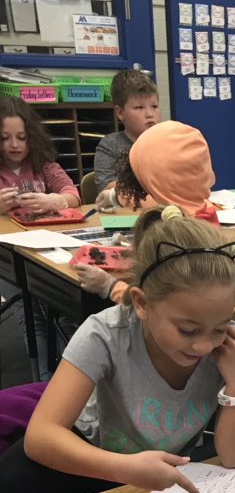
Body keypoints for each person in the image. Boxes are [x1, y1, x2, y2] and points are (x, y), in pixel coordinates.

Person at [0, 205, 235, 493]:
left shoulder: (234, 345)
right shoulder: (107, 333)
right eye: (187, 330)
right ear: (142, 303)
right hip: (89, 455)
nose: (204, 345)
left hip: (156, 474)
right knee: (12, 482)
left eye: (219, 327)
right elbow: (40, 438)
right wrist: (125, 469)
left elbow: (233, 457)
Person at [80, 121, 219, 302]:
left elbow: (160, 306)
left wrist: (110, 287)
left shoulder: (174, 235)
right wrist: (115, 196)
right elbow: (151, 198)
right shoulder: (199, 207)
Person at [0, 95, 81, 379]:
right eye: (5, 137)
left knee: (64, 306)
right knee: (29, 310)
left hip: (48, 252)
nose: (14, 145)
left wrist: (53, 202)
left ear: (31, 137)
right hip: (9, 260)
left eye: (21, 137)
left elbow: (72, 195)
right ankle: (46, 378)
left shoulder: (42, 164)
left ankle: (70, 370)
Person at [93, 69, 161, 195]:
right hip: (126, 211)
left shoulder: (168, 141)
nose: (150, 114)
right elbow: (106, 188)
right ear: (120, 113)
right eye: (139, 107)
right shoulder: (110, 145)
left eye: (154, 106)